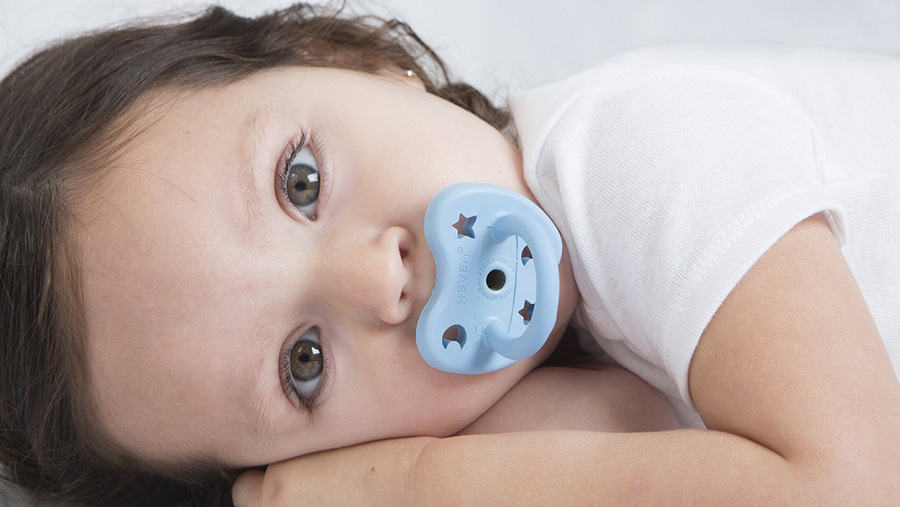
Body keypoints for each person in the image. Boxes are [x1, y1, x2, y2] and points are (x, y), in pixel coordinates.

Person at [1, 1, 898, 506]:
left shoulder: (637, 147)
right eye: (302, 364)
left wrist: (415, 482)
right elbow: (650, 437)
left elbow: (853, 487)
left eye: (301, 182)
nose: (377, 277)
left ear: (343, 54)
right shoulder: (517, 417)